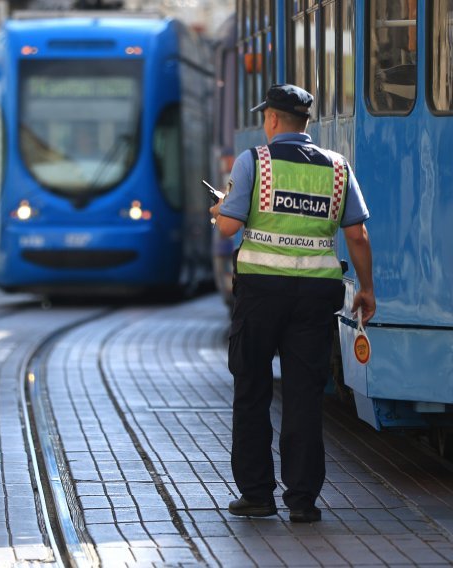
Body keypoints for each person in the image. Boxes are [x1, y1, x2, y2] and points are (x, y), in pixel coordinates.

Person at [209, 84, 375, 523]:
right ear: (307, 123)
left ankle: (257, 495)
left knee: (252, 391)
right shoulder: (338, 168)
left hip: (262, 293)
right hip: (315, 296)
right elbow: (357, 234)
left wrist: (221, 208)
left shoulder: (254, 162)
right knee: (304, 396)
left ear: (271, 119)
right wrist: (367, 289)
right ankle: (302, 501)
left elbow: (228, 228)